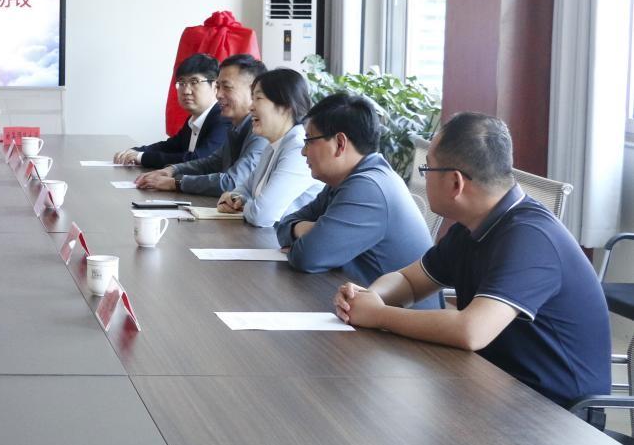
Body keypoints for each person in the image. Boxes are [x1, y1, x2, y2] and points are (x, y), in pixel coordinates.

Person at [334, 112, 611, 413]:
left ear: (455, 182)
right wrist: (369, 297)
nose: (424, 178)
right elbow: (410, 281)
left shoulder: (530, 238)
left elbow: (472, 330)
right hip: (495, 386)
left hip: (557, 414)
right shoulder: (472, 227)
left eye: (427, 169)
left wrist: (379, 315)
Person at [276, 93, 436, 303]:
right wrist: (305, 229)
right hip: (362, 304)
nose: (303, 152)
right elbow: (284, 225)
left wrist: (308, 234)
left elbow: (307, 257)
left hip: (400, 318)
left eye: (309, 141)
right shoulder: (345, 181)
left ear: (340, 143)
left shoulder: (368, 188)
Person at [135, 54, 268, 194]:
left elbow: (232, 182)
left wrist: (176, 183)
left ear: (253, 91)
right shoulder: (236, 126)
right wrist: (172, 170)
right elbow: (211, 163)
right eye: (218, 87)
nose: (218, 95)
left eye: (227, 87)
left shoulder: (261, 131)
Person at [217, 67, 322, 227]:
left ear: (286, 106)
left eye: (258, 98)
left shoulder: (298, 149)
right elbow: (245, 189)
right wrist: (235, 199)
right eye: (252, 98)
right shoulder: (272, 145)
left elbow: (262, 215)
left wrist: (243, 206)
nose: (251, 107)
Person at [113, 54, 230, 167]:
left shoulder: (223, 119)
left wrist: (141, 157)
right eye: (182, 83)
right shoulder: (194, 119)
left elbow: (199, 160)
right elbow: (172, 146)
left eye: (194, 82)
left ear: (215, 86)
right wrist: (136, 151)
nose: (186, 91)